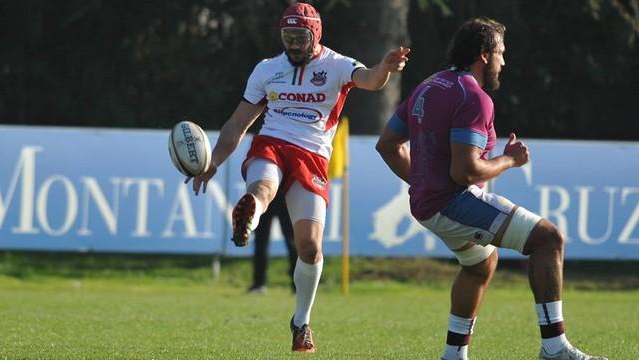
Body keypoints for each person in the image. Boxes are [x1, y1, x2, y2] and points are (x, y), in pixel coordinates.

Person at [375, 17, 607, 360]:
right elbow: (466, 170)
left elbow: (388, 144)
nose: (504, 61)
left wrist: (423, 182)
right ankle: (554, 347)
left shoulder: (429, 85)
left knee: (480, 264)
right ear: (484, 55)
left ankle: (453, 355)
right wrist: (509, 160)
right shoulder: (474, 97)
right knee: (548, 239)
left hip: (427, 203)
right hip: (453, 201)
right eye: (500, 52)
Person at [188, 2, 410, 353]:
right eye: (287, 36)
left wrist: (384, 67)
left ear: (315, 35)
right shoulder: (266, 69)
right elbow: (236, 125)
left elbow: (369, 79)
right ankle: (249, 212)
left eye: (300, 37)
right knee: (263, 187)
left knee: (310, 247)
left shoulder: (336, 65)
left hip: (313, 159)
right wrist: (214, 160)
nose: (292, 44)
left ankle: (301, 321)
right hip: (272, 144)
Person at [247, 190, 297, 294]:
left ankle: (297, 284)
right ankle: (259, 283)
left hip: (284, 194)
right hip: (264, 194)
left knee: (292, 242)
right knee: (260, 241)